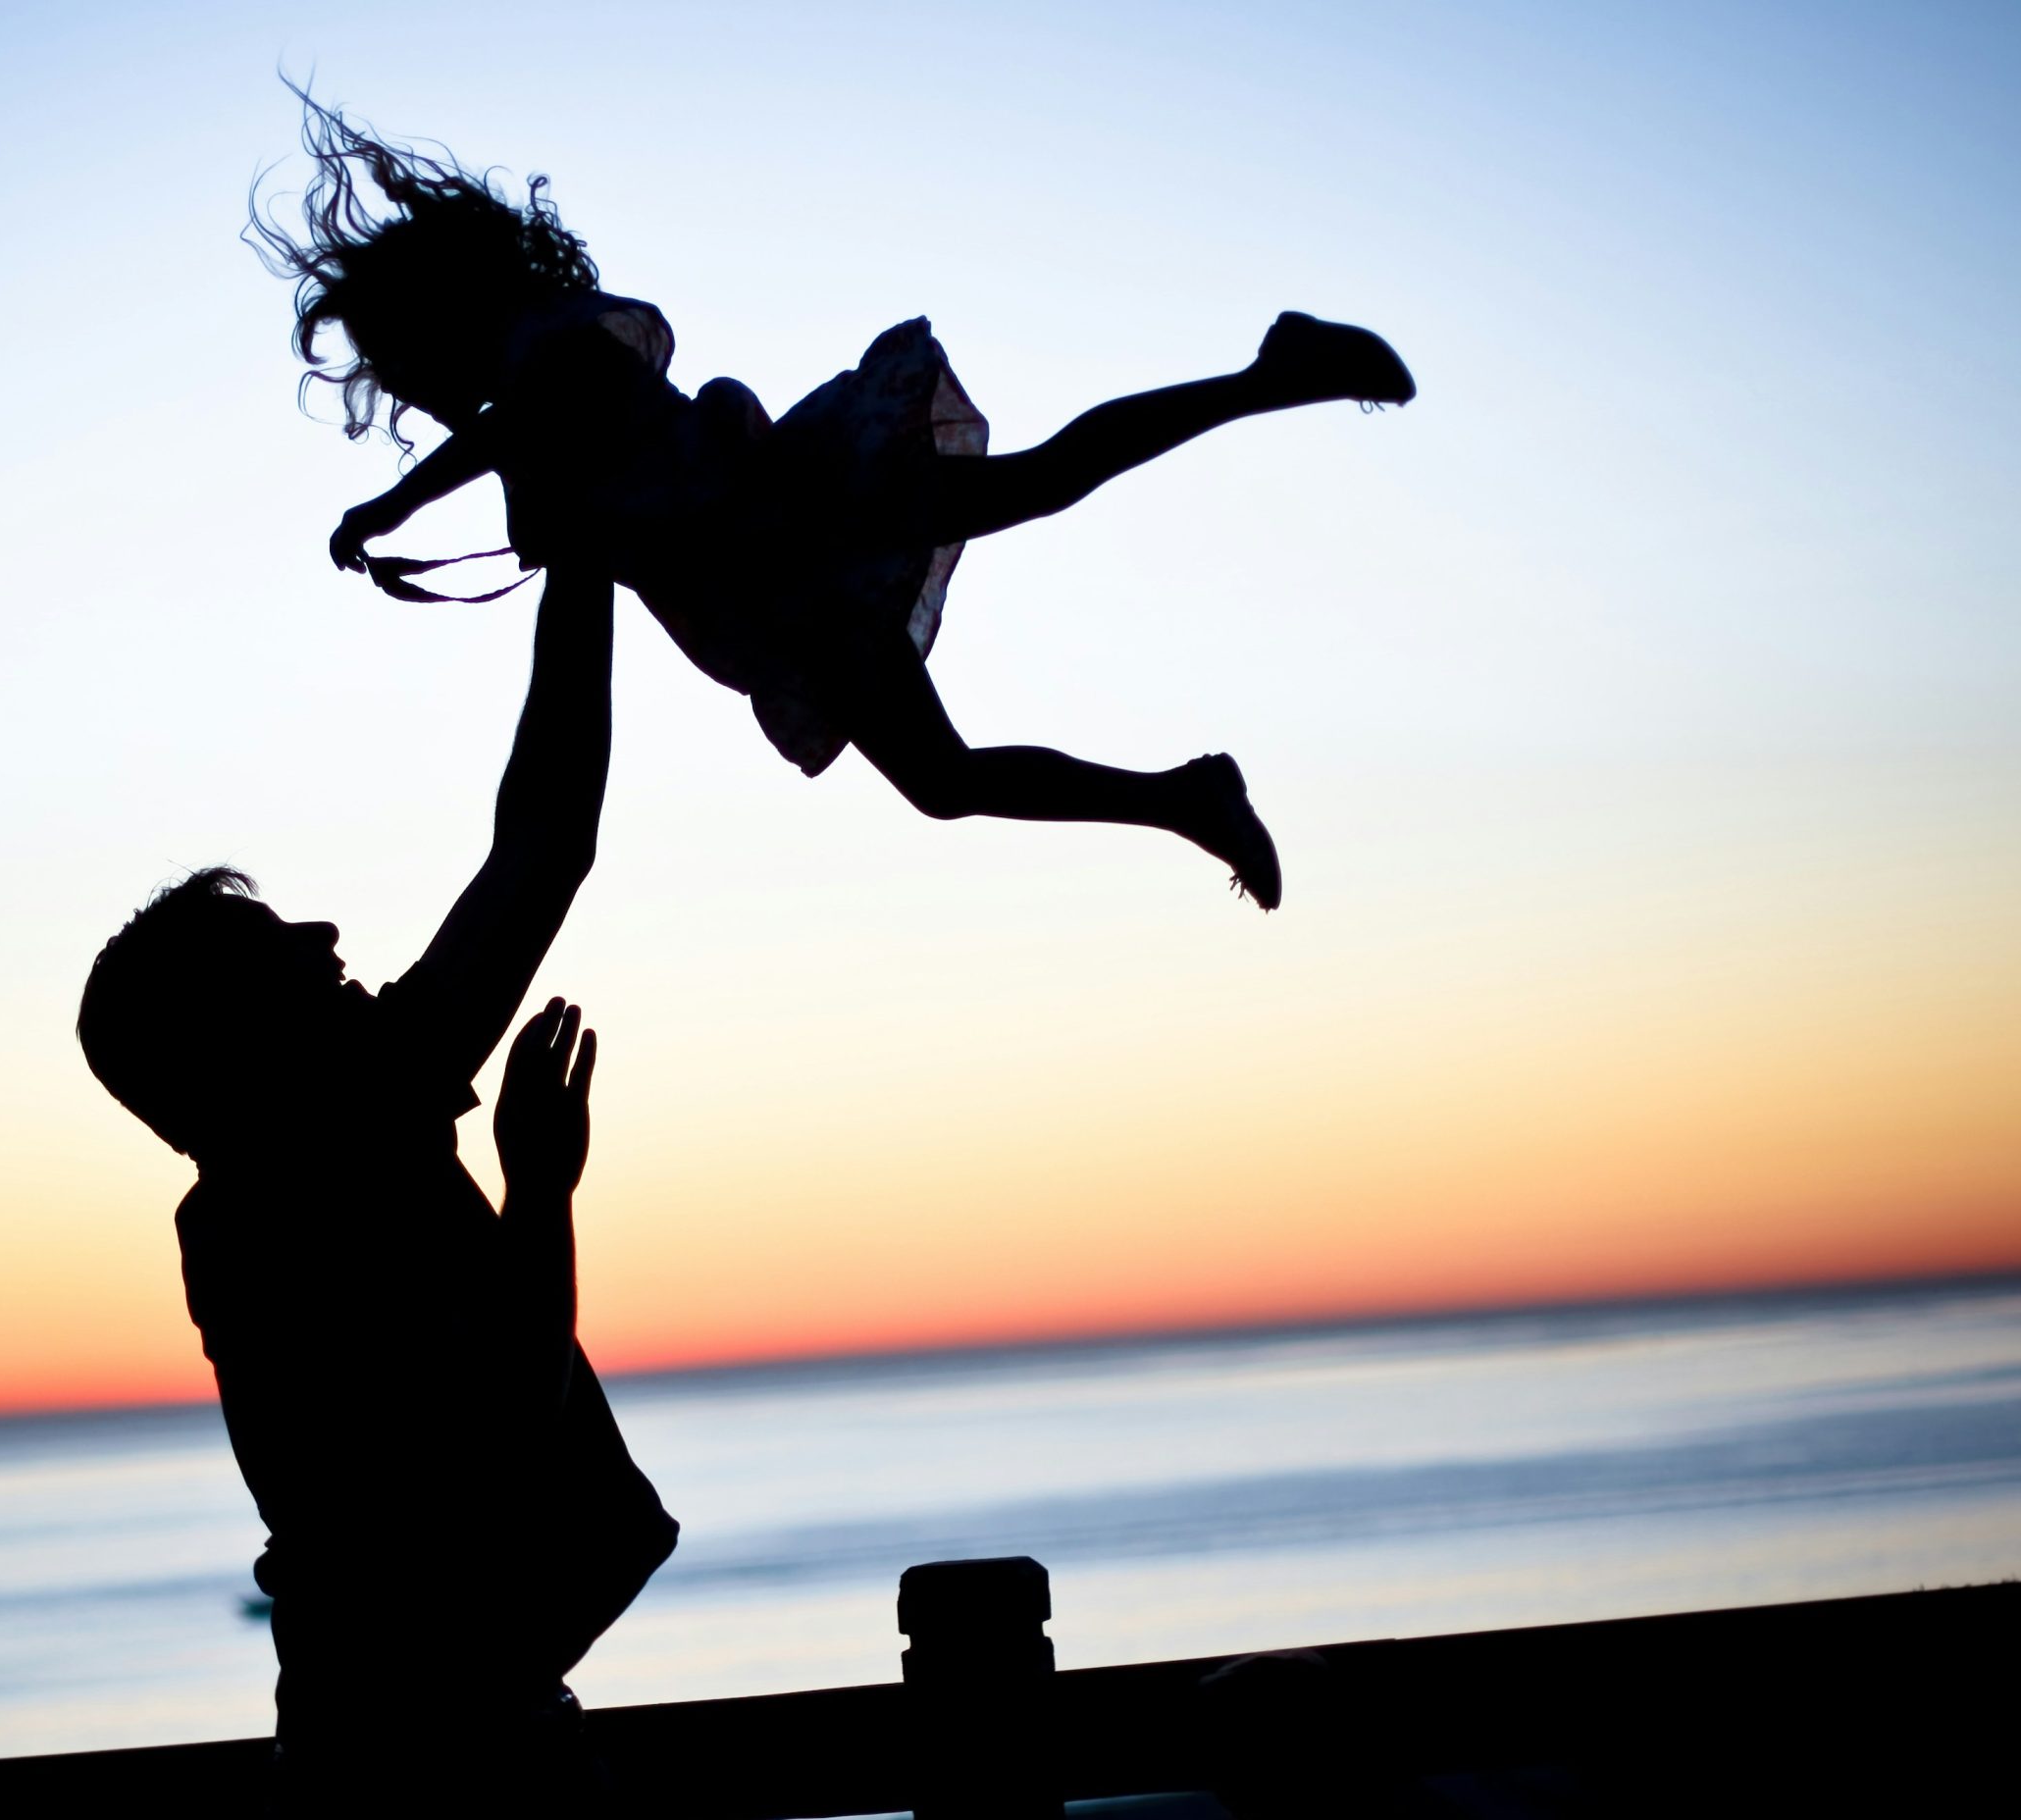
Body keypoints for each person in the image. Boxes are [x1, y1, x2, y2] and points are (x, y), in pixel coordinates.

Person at [248, 92, 1421, 911]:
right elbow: (538, 478)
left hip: (797, 537)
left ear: (434, 318)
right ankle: (1184, 793)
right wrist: (427, 515)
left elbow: (524, 444)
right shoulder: (533, 384)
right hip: (783, 586)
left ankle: (1271, 379)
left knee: (1032, 512)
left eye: (397, 357)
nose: (404, 387)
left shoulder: (543, 358)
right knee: (951, 764)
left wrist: (392, 509)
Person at [77, 567, 672, 1807]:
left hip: (427, 1730)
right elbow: (503, 1419)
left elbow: (544, 844)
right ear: (238, 1045)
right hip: (428, 1770)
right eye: (278, 952)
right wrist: (540, 1189)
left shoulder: (320, 1142)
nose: (327, 939)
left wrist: (583, 559)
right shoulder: (293, 1195)